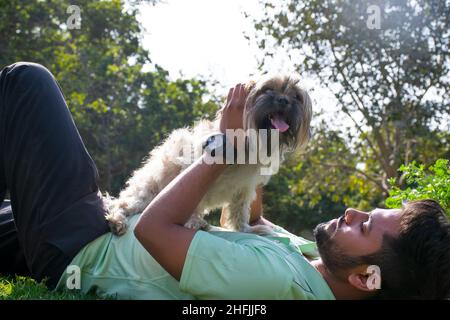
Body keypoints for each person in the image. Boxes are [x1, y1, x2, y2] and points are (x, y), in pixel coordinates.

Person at [0, 62, 449, 300]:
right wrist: (256, 151)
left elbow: (156, 228)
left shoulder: (272, 283)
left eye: (365, 227)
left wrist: (225, 146)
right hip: (97, 227)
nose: (352, 212)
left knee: (27, 81)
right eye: (367, 212)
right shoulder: (316, 259)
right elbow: (252, 218)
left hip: (83, 247)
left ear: (367, 280)